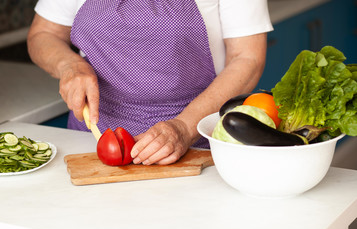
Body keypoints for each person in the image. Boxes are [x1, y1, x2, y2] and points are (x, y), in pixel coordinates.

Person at [27, 0, 273, 165]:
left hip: (197, 144)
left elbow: (247, 58)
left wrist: (184, 128)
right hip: (92, 142)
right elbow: (43, 34)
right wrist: (69, 65)